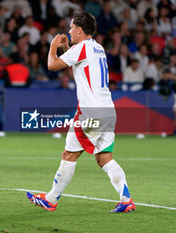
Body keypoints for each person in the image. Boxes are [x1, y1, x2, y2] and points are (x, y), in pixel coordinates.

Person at [26, 11, 135, 213]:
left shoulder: (82, 47)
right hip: (108, 111)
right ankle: (126, 198)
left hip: (90, 112)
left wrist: (53, 47)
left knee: (69, 154)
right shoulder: (97, 48)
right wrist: (66, 48)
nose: (68, 31)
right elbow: (80, 65)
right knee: (104, 158)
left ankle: (51, 199)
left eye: (71, 28)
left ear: (79, 30)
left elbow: (52, 65)